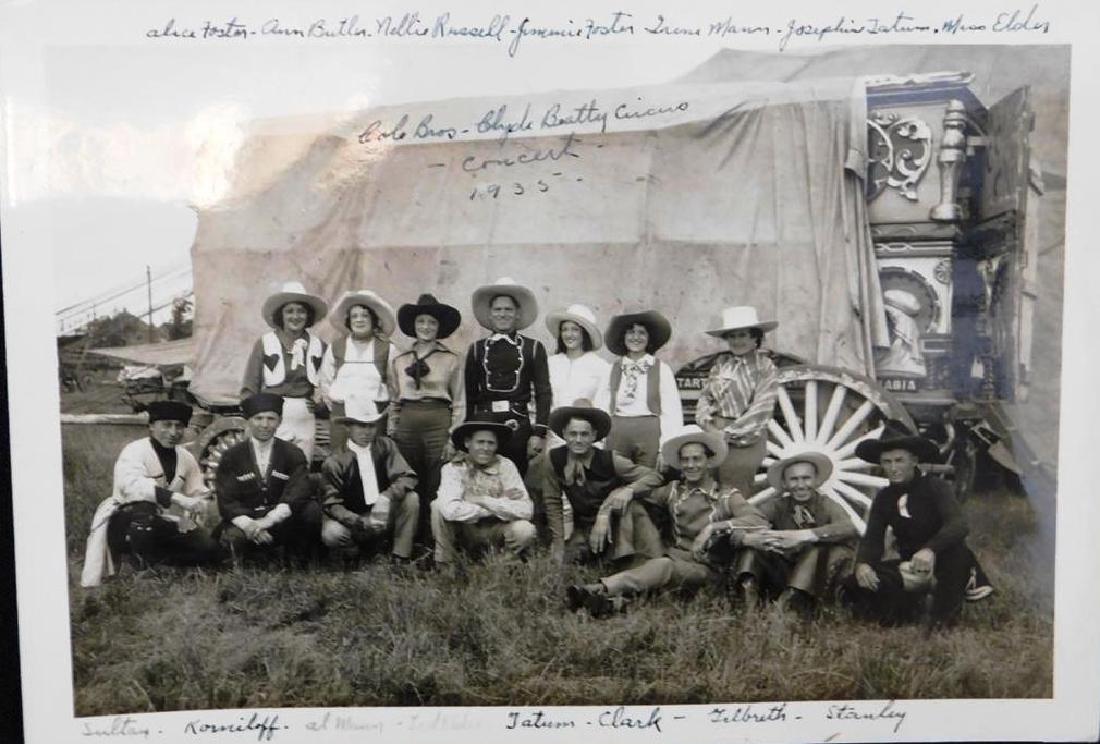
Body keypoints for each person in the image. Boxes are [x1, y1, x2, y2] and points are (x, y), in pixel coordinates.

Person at [566, 426, 767, 618]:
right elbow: (627, 495)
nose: (690, 465)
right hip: (671, 557)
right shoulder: (673, 490)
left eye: (697, 459)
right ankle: (614, 603)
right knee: (632, 506)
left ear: (709, 461)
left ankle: (599, 589)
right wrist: (604, 513)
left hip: (706, 570)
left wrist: (714, 527)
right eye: (685, 460)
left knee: (663, 566)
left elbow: (759, 520)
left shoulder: (726, 495)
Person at [842, 420, 986, 626]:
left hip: (946, 559)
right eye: (887, 462)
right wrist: (863, 564)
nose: (893, 468)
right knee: (855, 583)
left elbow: (959, 525)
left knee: (957, 559)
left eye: (899, 460)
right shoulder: (884, 497)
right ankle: (906, 610)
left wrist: (930, 549)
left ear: (914, 460)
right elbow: (873, 538)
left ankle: (942, 618)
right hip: (910, 564)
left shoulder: (936, 487)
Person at [81, 401, 221, 587]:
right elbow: (133, 487)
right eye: (166, 425)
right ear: (151, 426)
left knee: (211, 549)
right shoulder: (135, 451)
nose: (173, 432)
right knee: (144, 510)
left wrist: (195, 511)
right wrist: (178, 499)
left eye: (178, 426)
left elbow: (198, 492)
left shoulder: (185, 458)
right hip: (124, 521)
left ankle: (163, 564)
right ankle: (143, 569)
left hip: (162, 521)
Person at [531, 400, 664, 566]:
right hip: (585, 525)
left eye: (584, 434)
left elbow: (654, 477)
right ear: (564, 434)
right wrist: (558, 545)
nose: (578, 440)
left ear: (594, 436)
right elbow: (553, 502)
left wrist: (627, 491)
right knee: (569, 560)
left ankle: (634, 563)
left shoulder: (610, 460)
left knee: (633, 511)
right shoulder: (554, 459)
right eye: (573, 434)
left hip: (618, 520)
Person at [729, 452, 857, 613]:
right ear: (785, 483)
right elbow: (740, 527)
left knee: (816, 549)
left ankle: (789, 605)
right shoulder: (776, 506)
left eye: (806, 478)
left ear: (817, 480)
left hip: (817, 579)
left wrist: (804, 536)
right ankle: (747, 602)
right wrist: (748, 538)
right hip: (783, 571)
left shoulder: (827, 505)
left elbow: (848, 527)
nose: (801, 485)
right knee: (751, 550)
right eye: (794, 479)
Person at [388, 294, 465, 542]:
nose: (426, 327)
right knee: (410, 480)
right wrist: (393, 431)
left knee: (436, 481)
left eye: (431, 322)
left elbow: (460, 401)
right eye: (421, 321)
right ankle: (408, 542)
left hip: (438, 421)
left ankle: (434, 542)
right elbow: (394, 400)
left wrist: (453, 437)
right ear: (414, 325)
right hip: (408, 423)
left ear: (439, 327)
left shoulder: (451, 359)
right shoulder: (400, 360)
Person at [215, 393, 322, 562]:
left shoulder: (292, 453)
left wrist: (268, 521)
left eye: (271, 419)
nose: (265, 425)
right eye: (258, 418)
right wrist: (251, 525)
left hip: (281, 520)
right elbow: (227, 500)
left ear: (279, 421)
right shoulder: (232, 456)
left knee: (312, 510)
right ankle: (249, 560)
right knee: (234, 538)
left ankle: (297, 559)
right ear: (249, 421)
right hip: (248, 520)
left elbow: (298, 490)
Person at [464, 277, 552, 477]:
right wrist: (468, 432)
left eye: (508, 309)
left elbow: (543, 392)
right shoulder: (476, 349)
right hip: (484, 422)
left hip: (518, 424)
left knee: (515, 477)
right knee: (482, 477)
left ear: (517, 314)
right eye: (497, 309)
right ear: (490, 314)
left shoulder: (534, 348)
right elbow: (470, 395)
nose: (502, 314)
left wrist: (538, 433)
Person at [319, 397, 419, 565]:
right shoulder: (335, 461)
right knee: (332, 533)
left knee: (411, 499)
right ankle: (354, 555)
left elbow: (407, 476)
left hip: (383, 513)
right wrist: (360, 521)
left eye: (371, 426)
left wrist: (386, 496)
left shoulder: (386, 446)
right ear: (348, 427)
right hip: (354, 520)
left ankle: (400, 556)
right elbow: (332, 504)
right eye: (360, 426)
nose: (366, 432)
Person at [695, 305, 780, 499]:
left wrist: (725, 434)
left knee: (734, 495)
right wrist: (709, 427)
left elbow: (761, 409)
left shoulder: (765, 367)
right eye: (732, 336)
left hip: (745, 440)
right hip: (714, 435)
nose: (737, 341)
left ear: (755, 338)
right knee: (709, 491)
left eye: (742, 335)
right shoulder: (722, 363)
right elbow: (706, 397)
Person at [240, 281, 328, 461]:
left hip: (304, 416)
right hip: (271, 414)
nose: (295, 316)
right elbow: (250, 385)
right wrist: (255, 418)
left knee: (301, 465)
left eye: (301, 311)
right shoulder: (265, 343)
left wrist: (321, 405)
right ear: (281, 315)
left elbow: (328, 383)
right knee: (269, 465)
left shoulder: (319, 345)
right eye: (290, 311)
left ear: (308, 315)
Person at [430, 419, 538, 566]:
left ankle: (500, 564)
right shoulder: (453, 468)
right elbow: (450, 510)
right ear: (468, 443)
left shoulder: (506, 466)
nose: (486, 448)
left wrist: (481, 500)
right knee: (437, 507)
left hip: (496, 530)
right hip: (466, 530)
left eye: (491, 443)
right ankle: (446, 563)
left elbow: (526, 510)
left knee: (525, 529)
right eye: (480, 442)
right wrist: (500, 503)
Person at [596, 310, 683, 469]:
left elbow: (672, 410)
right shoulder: (611, 369)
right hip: (617, 432)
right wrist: (599, 441)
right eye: (630, 332)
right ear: (623, 336)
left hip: (649, 433)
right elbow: (601, 406)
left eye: (642, 332)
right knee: (615, 475)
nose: (636, 337)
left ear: (649, 338)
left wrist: (665, 446)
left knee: (647, 478)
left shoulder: (662, 369)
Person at [319, 289, 399, 452]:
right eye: (354, 316)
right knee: (341, 461)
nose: (359, 320)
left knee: (374, 462)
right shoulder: (336, 347)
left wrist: (385, 412)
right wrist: (337, 408)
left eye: (364, 316)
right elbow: (326, 381)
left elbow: (395, 386)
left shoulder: (387, 349)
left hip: (375, 417)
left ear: (374, 320)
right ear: (348, 321)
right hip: (342, 417)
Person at [544, 304, 611, 413]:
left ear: (584, 333)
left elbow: (603, 405)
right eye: (564, 329)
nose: (569, 334)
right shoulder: (549, 363)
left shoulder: (601, 366)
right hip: (552, 425)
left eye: (575, 329)